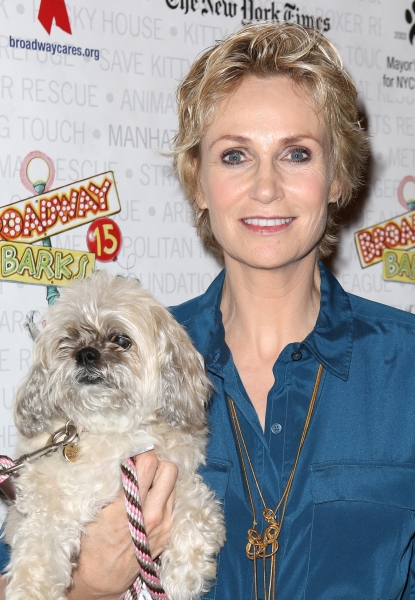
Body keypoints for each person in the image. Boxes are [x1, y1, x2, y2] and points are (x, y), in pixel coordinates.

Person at [2, 21, 415, 599]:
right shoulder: (130, 360)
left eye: (296, 153)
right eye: (235, 155)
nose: (266, 187)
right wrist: (87, 588)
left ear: (339, 175)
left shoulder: (406, 366)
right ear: (198, 182)